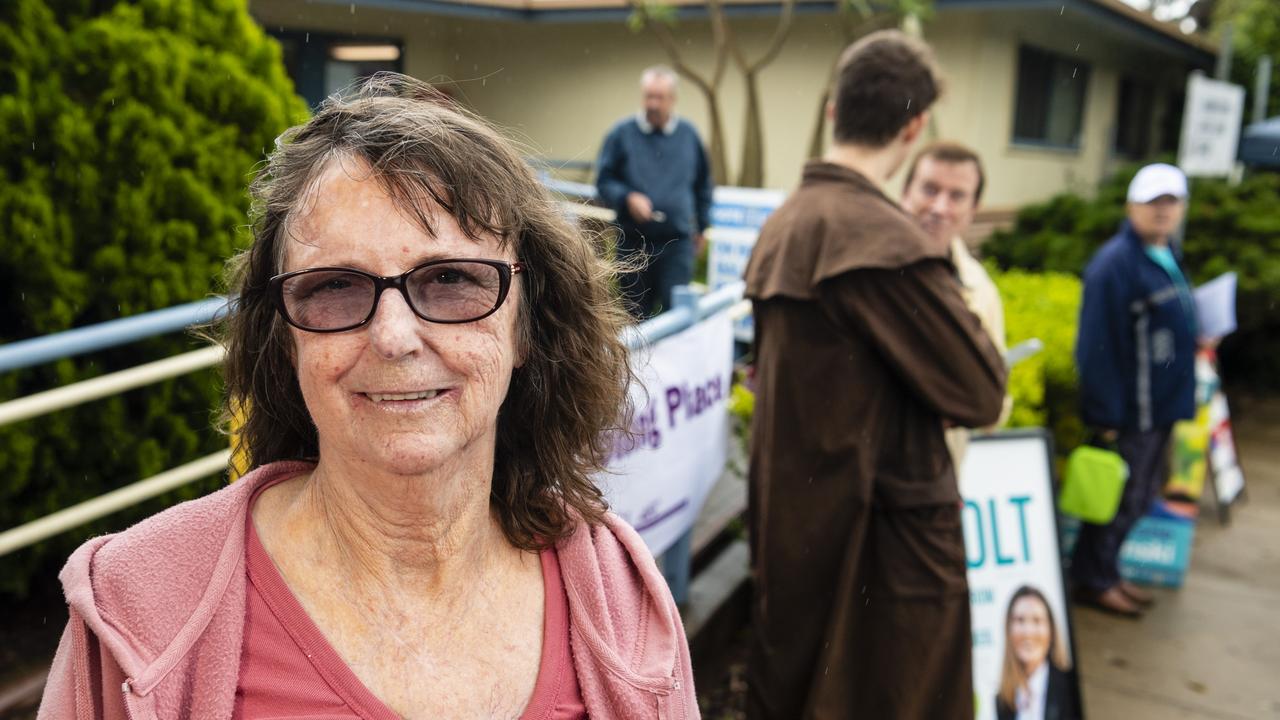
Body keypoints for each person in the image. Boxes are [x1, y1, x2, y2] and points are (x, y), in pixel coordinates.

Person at [38, 73, 697, 720]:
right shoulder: (133, 613)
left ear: (529, 324)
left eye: (450, 280)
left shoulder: (620, 594)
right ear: (285, 335)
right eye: (334, 288)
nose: (393, 336)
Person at [743, 31, 1008, 720]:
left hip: (802, 525)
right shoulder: (879, 240)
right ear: (914, 126)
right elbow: (982, 390)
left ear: (834, 110)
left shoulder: (789, 221)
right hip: (878, 548)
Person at [1072, 162, 1198, 617]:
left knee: (1141, 496)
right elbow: (1095, 347)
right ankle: (1093, 580)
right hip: (1129, 413)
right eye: (1153, 202)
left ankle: (1107, 572)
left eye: (1172, 202)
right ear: (1131, 207)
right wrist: (1104, 416)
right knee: (1116, 500)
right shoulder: (1114, 265)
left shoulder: (1168, 254)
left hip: (1160, 407)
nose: (1163, 211)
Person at [900, 141, 1011, 468]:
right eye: (929, 189)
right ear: (905, 192)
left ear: (974, 209)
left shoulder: (979, 290)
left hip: (938, 480)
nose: (939, 207)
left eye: (957, 196)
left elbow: (996, 406)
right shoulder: (869, 271)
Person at [596, 66, 714, 318]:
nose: (653, 103)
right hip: (634, 242)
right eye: (648, 96)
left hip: (677, 244)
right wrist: (627, 197)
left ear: (673, 100)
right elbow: (604, 181)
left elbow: (703, 185)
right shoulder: (622, 134)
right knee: (636, 319)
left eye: (659, 97)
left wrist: (703, 227)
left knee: (678, 319)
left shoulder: (689, 135)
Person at [995, 586, 1079, 720]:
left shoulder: (1070, 687)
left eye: (1037, 620)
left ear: (1051, 631)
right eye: (1020, 620)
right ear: (1008, 630)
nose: (1028, 632)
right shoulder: (1002, 700)